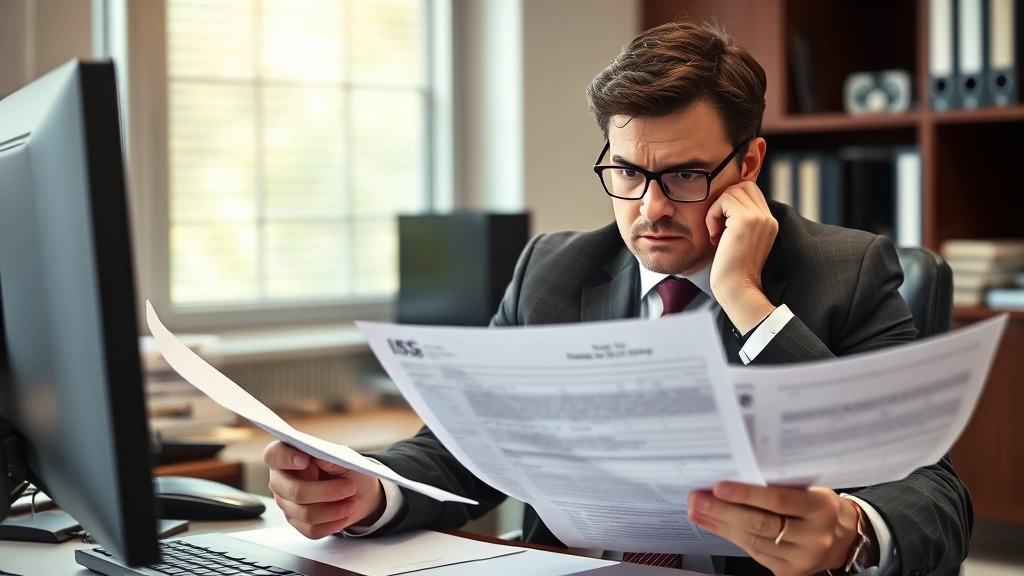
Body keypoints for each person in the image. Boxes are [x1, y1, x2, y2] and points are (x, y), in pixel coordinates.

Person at [262, 21, 971, 576]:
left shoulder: (846, 270)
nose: (650, 209)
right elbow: (467, 445)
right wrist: (370, 491)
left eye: (687, 175)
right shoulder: (555, 269)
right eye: (627, 172)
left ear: (748, 165)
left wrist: (743, 298)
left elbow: (931, 493)